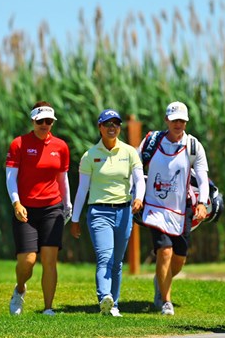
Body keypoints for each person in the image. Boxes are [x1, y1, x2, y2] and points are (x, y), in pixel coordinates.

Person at [70, 109, 145, 317]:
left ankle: (114, 305)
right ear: (100, 128)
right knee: (105, 257)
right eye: (107, 124)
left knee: (117, 262)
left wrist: (139, 197)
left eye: (116, 124)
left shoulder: (130, 152)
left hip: (124, 211)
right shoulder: (90, 156)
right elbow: (82, 190)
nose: (112, 128)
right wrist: (75, 219)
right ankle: (104, 297)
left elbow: (139, 179)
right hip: (99, 212)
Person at [138, 101, 209, 316]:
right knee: (164, 251)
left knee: (179, 257)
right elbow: (135, 166)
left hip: (182, 208)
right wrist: (137, 195)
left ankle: (160, 281)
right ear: (166, 120)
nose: (178, 124)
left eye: (182, 120)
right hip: (154, 206)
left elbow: (203, 178)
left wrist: (202, 203)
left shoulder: (194, 146)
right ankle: (165, 301)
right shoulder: (152, 141)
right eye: (174, 120)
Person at [5, 102, 72, 316]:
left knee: (49, 260)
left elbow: (63, 178)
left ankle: (48, 307)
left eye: (49, 121)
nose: (45, 125)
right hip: (25, 209)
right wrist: (16, 202)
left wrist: (67, 204)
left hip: (53, 208)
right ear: (33, 120)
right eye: (41, 121)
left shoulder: (61, 146)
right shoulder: (19, 144)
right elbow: (10, 177)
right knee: (27, 261)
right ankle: (20, 288)